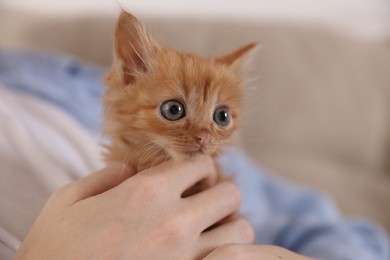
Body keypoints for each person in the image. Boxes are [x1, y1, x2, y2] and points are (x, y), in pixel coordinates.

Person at [0, 49, 388, 259]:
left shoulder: (49, 77)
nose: (203, 135)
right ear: (129, 74)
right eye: (175, 111)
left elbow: (322, 226)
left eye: (221, 117)